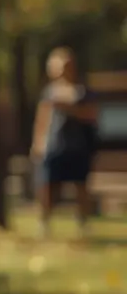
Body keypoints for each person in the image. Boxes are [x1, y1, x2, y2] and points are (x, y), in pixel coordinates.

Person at [31, 47, 100, 237]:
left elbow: (92, 115)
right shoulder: (49, 93)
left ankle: (83, 223)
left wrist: (68, 108)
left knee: (80, 187)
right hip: (53, 147)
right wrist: (37, 144)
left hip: (78, 147)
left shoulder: (83, 91)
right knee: (47, 186)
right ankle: (44, 223)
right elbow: (42, 119)